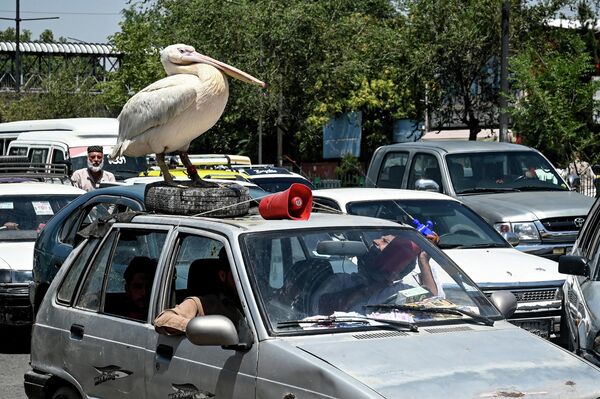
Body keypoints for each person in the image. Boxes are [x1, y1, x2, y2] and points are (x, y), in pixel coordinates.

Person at [316, 232, 441, 315]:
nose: (376, 241)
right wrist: (365, 290)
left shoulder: (398, 291)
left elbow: (432, 300)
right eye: (381, 239)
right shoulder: (341, 281)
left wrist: (423, 260)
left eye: (385, 242)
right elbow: (321, 308)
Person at [154, 250, 252, 343]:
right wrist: (200, 329)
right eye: (239, 275)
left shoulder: (262, 305)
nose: (246, 281)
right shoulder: (204, 304)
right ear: (222, 275)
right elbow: (163, 320)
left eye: (250, 274)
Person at [122, 256, 158, 320]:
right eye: (138, 287)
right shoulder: (117, 317)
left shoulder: (161, 311)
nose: (144, 293)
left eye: (149, 287)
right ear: (127, 289)